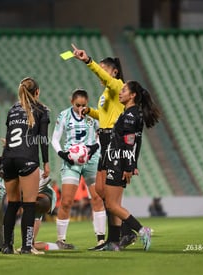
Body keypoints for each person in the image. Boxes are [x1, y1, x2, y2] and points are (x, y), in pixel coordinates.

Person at [72, 44, 137, 250]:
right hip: (105, 140)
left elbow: (106, 78)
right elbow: (104, 117)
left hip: (114, 142)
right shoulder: (106, 95)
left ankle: (116, 238)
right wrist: (89, 111)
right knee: (100, 191)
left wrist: (88, 60)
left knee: (109, 196)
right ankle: (124, 232)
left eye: (103, 68)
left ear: (114, 71)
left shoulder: (117, 85)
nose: (100, 72)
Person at [103, 80, 160, 251]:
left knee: (112, 205)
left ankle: (142, 230)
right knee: (114, 204)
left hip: (118, 161)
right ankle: (121, 238)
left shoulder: (129, 116)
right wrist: (132, 163)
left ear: (133, 95)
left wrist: (128, 167)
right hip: (121, 161)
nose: (120, 93)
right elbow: (137, 142)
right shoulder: (134, 113)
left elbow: (129, 142)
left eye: (124, 91)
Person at [1, 77, 50, 254]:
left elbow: (8, 136)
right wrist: (46, 162)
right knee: (29, 204)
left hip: (8, 158)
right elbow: (43, 140)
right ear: (37, 92)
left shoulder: (12, 109)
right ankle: (27, 246)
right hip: (27, 158)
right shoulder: (42, 109)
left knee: (12, 203)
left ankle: (7, 246)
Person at [52, 89, 105, 250]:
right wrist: (63, 154)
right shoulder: (64, 115)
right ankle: (61, 240)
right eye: (77, 105)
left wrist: (95, 148)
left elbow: (102, 134)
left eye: (84, 105)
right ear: (71, 102)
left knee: (97, 198)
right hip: (71, 161)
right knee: (67, 201)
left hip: (91, 160)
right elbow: (54, 139)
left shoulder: (92, 115)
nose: (81, 108)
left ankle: (101, 239)